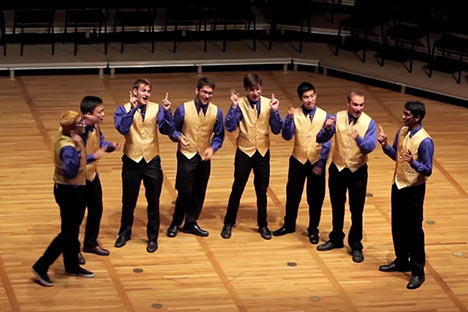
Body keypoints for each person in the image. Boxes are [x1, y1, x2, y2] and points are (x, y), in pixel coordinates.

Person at [32, 111, 94, 287]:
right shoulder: (68, 148)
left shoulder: (66, 132)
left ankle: (71, 265)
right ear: (73, 129)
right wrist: (78, 148)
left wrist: (94, 155)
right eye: (80, 121)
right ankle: (41, 266)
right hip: (69, 193)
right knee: (68, 233)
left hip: (72, 189)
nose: (84, 123)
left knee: (72, 231)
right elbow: (71, 170)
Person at [377, 101, 434, 290]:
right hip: (398, 185)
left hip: (414, 190)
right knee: (398, 226)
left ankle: (418, 272)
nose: (403, 117)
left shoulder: (425, 141)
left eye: (407, 115)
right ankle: (401, 260)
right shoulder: (402, 132)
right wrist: (385, 146)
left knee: (414, 232)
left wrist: (414, 164)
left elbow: (428, 170)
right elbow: (397, 155)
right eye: (404, 113)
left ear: (417, 118)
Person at [316, 89, 376, 263]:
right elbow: (321, 138)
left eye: (361, 105)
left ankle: (356, 245)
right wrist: (327, 129)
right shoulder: (337, 117)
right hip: (338, 168)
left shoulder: (369, 123)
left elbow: (369, 147)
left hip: (358, 171)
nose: (358, 108)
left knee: (357, 210)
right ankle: (336, 238)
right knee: (337, 206)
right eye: (355, 104)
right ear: (348, 103)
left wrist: (359, 139)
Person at [114, 78, 173, 253]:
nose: (146, 94)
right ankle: (124, 233)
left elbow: (165, 130)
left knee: (153, 201)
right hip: (131, 160)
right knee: (128, 201)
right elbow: (123, 129)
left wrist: (168, 113)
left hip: (151, 160)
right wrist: (132, 110)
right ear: (134, 92)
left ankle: (152, 238)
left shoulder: (156, 108)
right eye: (143, 91)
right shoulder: (122, 110)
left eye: (148, 91)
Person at [221, 73, 283, 240]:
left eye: (258, 89)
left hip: (262, 152)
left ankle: (263, 225)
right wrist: (233, 108)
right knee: (238, 188)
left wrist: (276, 112)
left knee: (261, 190)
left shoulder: (269, 104)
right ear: (246, 90)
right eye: (252, 90)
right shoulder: (239, 104)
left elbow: (277, 129)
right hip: (244, 151)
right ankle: (229, 222)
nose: (255, 93)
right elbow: (230, 127)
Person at [273, 82, 331, 244]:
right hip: (298, 159)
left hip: (316, 161)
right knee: (293, 195)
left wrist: (321, 163)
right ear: (301, 99)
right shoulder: (294, 113)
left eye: (312, 96)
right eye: (306, 97)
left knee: (315, 198)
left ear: (316, 96)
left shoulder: (324, 115)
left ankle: (313, 229)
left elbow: (327, 142)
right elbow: (286, 135)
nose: (310, 100)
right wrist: (290, 119)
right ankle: (289, 224)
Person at [166, 77, 225, 238]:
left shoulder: (216, 112)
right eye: (204, 92)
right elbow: (173, 130)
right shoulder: (183, 109)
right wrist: (178, 137)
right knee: (184, 191)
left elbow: (219, 135)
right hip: (186, 154)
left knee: (199, 192)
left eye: (210, 93)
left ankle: (191, 223)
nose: (207, 96)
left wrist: (213, 148)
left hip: (203, 157)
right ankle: (175, 222)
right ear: (197, 91)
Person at [78, 96, 121, 264]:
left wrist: (108, 146)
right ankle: (73, 250)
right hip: (78, 179)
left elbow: (100, 140)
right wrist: (93, 156)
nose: (103, 114)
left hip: (92, 175)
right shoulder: (77, 131)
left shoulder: (95, 125)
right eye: (100, 112)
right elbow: (74, 158)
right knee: (77, 216)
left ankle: (90, 242)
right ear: (87, 114)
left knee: (96, 208)